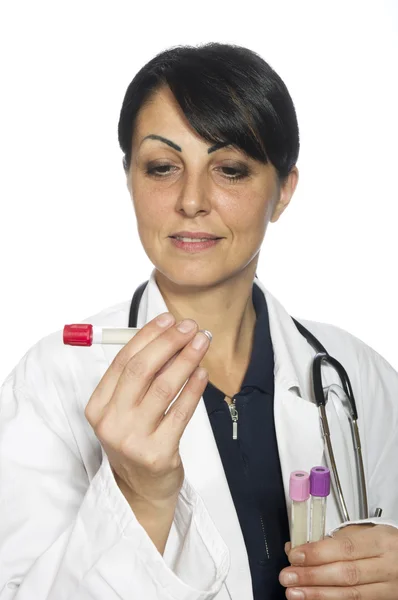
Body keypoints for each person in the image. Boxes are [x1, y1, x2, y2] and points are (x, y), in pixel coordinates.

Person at [0, 42, 397, 600]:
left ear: (283, 191)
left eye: (230, 170)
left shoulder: (357, 376)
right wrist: (138, 498)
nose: (191, 200)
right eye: (162, 168)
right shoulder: (52, 381)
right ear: (130, 179)